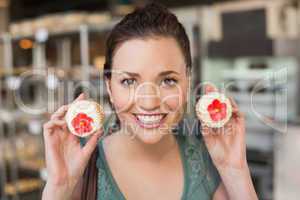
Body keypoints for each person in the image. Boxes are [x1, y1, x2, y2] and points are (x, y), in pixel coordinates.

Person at [42, 2, 258, 200]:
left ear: (188, 81)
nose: (149, 102)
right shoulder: (81, 167)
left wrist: (236, 172)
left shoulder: (208, 163)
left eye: (168, 80)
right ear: (109, 86)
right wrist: (59, 188)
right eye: (128, 81)